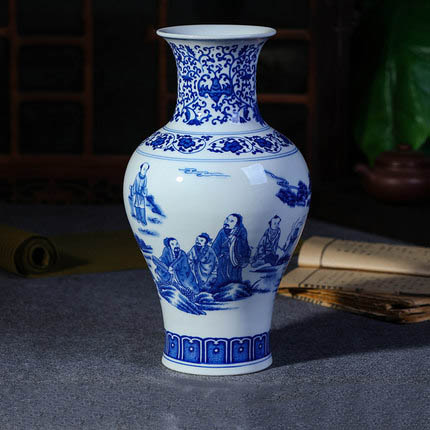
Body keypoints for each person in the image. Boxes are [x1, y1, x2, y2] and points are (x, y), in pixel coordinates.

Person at [212, 213, 251, 287]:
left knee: (234, 277)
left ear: (236, 224)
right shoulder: (222, 232)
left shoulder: (241, 232)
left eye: (231, 221)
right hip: (222, 259)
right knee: (221, 277)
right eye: (227, 219)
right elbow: (215, 246)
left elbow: (244, 246)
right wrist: (212, 256)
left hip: (235, 259)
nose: (227, 222)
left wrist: (234, 240)